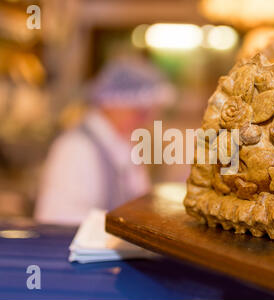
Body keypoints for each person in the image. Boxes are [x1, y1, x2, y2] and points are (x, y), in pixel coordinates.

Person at [35, 56, 175, 225]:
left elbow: (139, 198)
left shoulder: (125, 143)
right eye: (139, 111)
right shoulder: (76, 148)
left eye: (150, 112)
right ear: (111, 103)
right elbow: (58, 217)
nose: (146, 120)